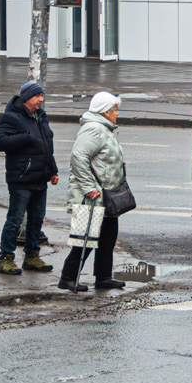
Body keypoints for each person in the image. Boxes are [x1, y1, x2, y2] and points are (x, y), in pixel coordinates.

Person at [59, 91, 128, 294]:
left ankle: (103, 277)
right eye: (115, 109)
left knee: (108, 237)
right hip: (92, 196)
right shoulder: (94, 130)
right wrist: (89, 188)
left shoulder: (105, 129)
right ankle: (68, 278)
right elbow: (78, 158)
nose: (117, 113)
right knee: (85, 239)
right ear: (105, 112)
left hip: (107, 195)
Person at [0, 80, 58, 276]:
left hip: (40, 178)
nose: (41, 99)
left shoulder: (40, 117)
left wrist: (52, 171)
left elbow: (47, 147)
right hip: (21, 178)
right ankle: (5, 258)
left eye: (41, 96)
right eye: (38, 96)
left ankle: (31, 256)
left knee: (37, 220)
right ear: (27, 98)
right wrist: (26, 137)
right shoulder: (11, 117)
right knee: (15, 219)